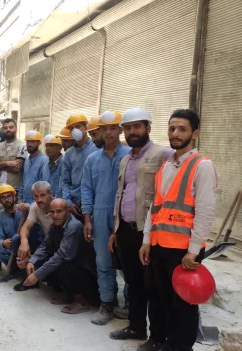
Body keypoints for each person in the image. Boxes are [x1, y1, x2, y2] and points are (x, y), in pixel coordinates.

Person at [139, 109, 217, 351]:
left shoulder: (202, 166)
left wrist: (194, 251)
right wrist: (146, 240)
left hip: (183, 250)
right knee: (158, 297)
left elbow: (205, 211)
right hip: (159, 245)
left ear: (195, 133)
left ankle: (179, 347)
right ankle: (158, 339)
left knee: (182, 303)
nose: (175, 133)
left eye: (182, 129)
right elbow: (156, 207)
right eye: (172, 128)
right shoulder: (166, 166)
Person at [105, 107, 173, 347]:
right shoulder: (125, 159)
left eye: (137, 126)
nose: (132, 132)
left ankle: (157, 336)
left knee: (152, 285)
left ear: (148, 128)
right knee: (133, 282)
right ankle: (136, 327)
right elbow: (119, 195)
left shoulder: (164, 154)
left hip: (149, 232)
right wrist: (115, 230)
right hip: (125, 230)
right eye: (128, 128)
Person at [81, 111, 132, 325]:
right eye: (104, 128)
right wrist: (87, 219)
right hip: (101, 215)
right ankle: (107, 303)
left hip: (127, 216)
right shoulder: (92, 160)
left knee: (130, 263)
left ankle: (131, 305)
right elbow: (87, 190)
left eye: (113, 128)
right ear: (99, 131)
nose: (109, 132)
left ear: (120, 130)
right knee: (103, 261)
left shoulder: (131, 155)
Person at [22, 199, 100, 313]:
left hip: (88, 274)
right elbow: (45, 245)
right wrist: (32, 261)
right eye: (52, 212)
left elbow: (63, 255)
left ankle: (81, 301)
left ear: (68, 212)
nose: (55, 215)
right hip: (73, 266)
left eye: (59, 211)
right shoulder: (54, 225)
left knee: (62, 266)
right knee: (42, 263)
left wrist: (37, 275)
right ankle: (69, 295)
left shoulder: (74, 226)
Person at [61, 114, 98, 221]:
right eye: (71, 128)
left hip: (94, 205)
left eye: (77, 126)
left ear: (86, 127)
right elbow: (65, 182)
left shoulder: (97, 148)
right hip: (75, 206)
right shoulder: (69, 154)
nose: (74, 130)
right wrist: (68, 203)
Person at [0, 184, 24, 271]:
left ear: (14, 197)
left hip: (24, 247)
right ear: (0, 201)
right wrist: (3, 243)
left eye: (9, 196)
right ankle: (14, 267)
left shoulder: (22, 211)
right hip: (11, 248)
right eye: (3, 197)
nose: (7, 199)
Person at [0, 118, 25, 190]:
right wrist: (7, 163)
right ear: (2, 130)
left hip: (14, 189)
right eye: (5, 128)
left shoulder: (22, 146)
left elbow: (17, 168)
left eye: (11, 127)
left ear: (16, 129)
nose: (8, 130)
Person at [20, 130, 50, 204]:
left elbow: (43, 184)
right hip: (24, 202)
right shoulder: (27, 160)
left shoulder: (44, 160)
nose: (29, 144)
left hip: (37, 203)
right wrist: (19, 198)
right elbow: (22, 181)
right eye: (28, 142)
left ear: (39, 143)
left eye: (33, 142)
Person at [44, 134, 64, 199]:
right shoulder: (44, 164)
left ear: (60, 148)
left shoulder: (64, 163)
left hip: (59, 204)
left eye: (51, 146)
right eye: (46, 146)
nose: (48, 148)